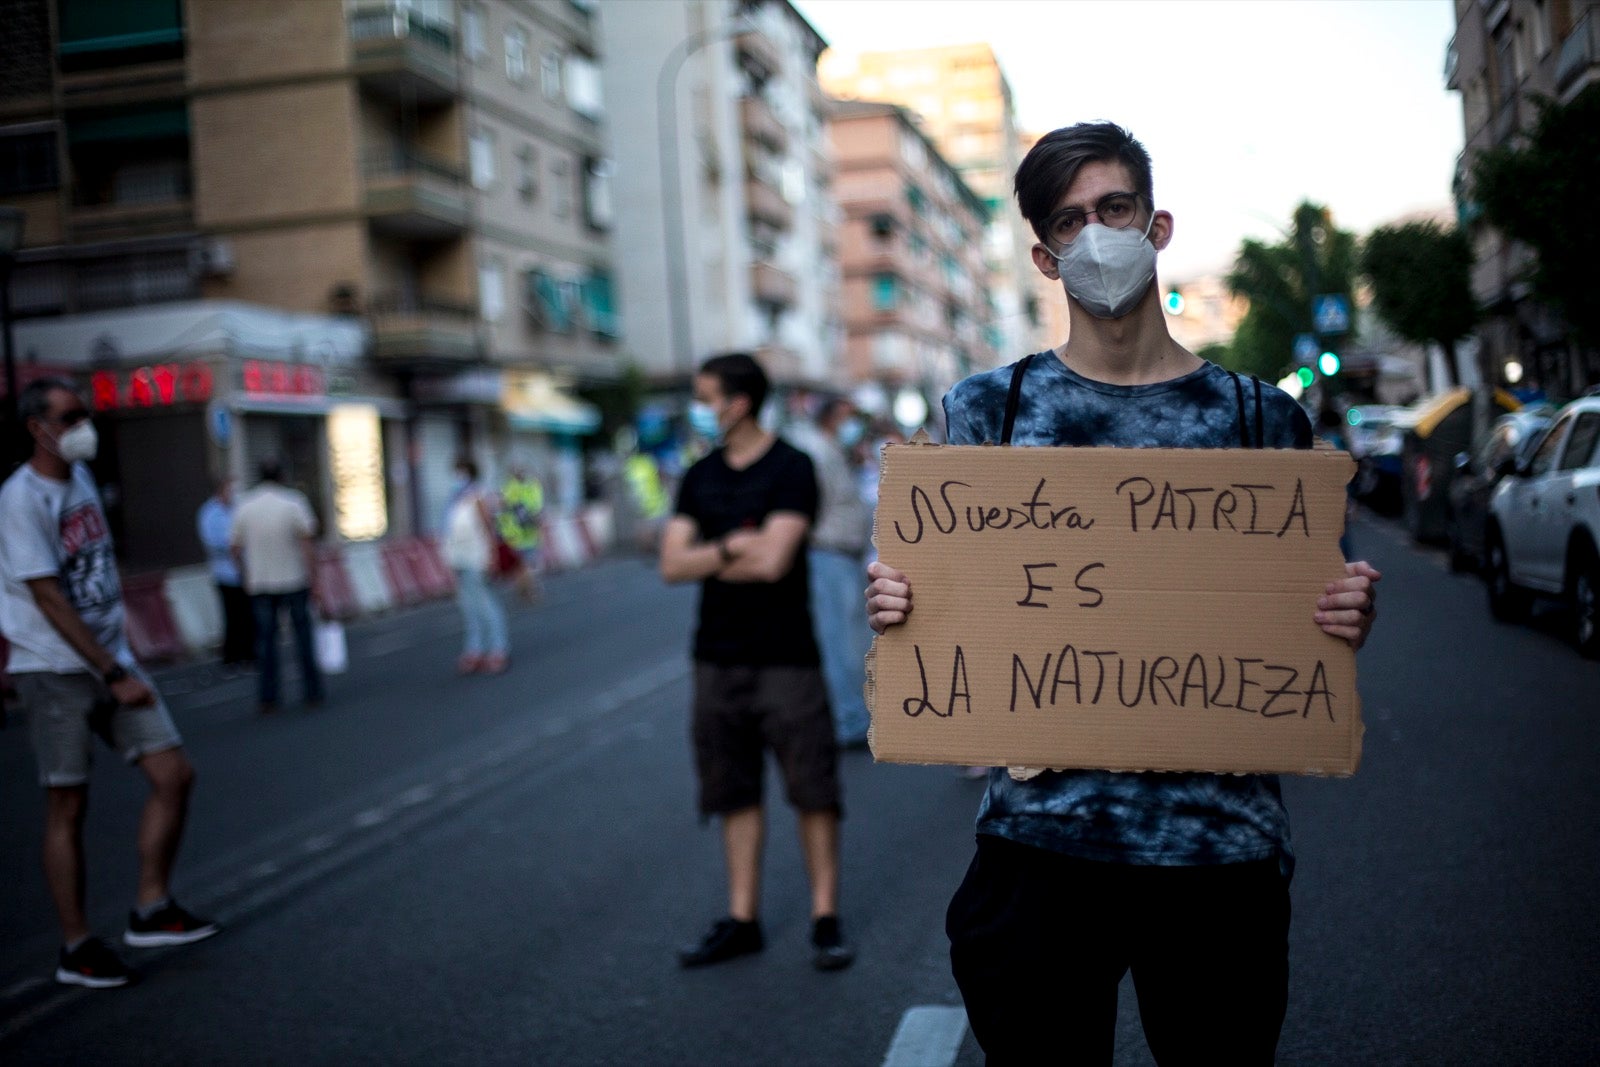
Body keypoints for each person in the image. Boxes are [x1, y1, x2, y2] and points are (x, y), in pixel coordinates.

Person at [864, 123, 1380, 1064]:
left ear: (1157, 224)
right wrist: (903, 604)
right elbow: (938, 601)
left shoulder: (1262, 417)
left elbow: (1312, 614)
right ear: (1044, 257)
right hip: (1039, 855)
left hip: (1220, 853)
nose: (1096, 233)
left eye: (1114, 208)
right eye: (1069, 220)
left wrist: (1346, 615)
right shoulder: (990, 411)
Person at [0, 378, 218, 989]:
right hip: (55, 669)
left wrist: (121, 653)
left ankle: (151, 908)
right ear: (36, 428)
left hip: (111, 658)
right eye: (70, 417)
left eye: (85, 415)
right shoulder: (19, 499)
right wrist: (114, 670)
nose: (83, 426)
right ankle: (76, 946)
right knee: (67, 803)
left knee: (174, 774)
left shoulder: (82, 480)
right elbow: (47, 596)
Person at [660, 353, 854, 972]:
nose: (699, 408)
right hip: (715, 659)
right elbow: (670, 564)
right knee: (732, 791)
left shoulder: (792, 468)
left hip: (786, 658)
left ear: (738, 403)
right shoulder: (698, 476)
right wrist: (730, 546)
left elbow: (774, 562)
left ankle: (825, 916)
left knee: (812, 790)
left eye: (705, 396)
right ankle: (742, 919)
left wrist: (710, 555)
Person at [786, 396, 874, 748]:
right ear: (834, 417)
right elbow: (807, 508)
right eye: (848, 417)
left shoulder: (830, 448)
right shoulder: (817, 452)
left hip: (842, 554)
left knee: (848, 640)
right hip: (828, 553)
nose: (854, 425)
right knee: (838, 642)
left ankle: (851, 715)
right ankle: (848, 719)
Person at [231, 458, 322, 714]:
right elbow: (307, 543)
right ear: (282, 475)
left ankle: (268, 696)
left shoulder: (245, 505)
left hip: (260, 582)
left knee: (266, 641)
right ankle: (312, 690)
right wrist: (314, 579)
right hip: (293, 579)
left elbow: (234, 547)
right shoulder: (293, 502)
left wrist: (246, 573)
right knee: (303, 637)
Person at [441, 457, 509, 674]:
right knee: (468, 607)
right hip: (459, 557)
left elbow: (488, 527)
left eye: (459, 472)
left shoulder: (477, 496)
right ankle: (475, 650)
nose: (456, 477)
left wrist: (492, 555)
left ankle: (498, 648)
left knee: (484, 603)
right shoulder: (455, 499)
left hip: (476, 557)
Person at [196, 477, 255, 670]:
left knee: (247, 614)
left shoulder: (238, 509)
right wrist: (233, 545)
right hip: (225, 573)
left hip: (243, 571)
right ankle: (231, 654)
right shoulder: (209, 513)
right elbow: (213, 542)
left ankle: (248, 652)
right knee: (231, 614)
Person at [498, 464, 544, 601]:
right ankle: (528, 590)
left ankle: (525, 590)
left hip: (516, 534)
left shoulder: (509, 488)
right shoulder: (532, 486)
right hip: (525, 533)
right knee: (526, 565)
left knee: (521, 566)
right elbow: (538, 510)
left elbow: (502, 508)